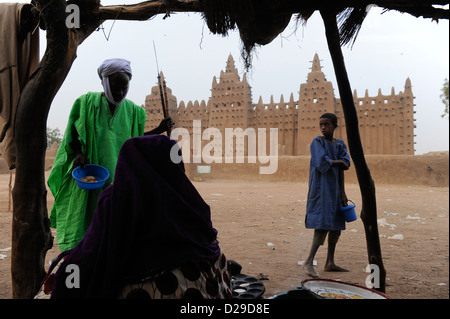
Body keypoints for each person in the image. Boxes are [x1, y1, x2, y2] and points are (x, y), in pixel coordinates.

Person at [37, 135, 232, 299]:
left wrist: (66, 274)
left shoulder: (117, 200)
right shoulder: (189, 200)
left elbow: (89, 254)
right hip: (209, 289)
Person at [47, 58, 174, 252]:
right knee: (86, 226)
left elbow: (135, 140)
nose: (120, 93)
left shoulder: (133, 111)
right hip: (90, 177)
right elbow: (72, 132)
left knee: (117, 229)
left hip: (119, 179)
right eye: (116, 87)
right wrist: (79, 153)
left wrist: (158, 130)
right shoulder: (86, 103)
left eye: (124, 88)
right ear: (104, 83)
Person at [303, 113, 351, 278]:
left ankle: (330, 262)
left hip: (336, 190)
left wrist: (343, 192)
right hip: (321, 189)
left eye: (327, 124)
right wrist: (337, 162)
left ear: (335, 125)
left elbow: (346, 165)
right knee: (322, 225)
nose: (323, 128)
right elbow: (321, 162)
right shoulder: (318, 142)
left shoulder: (339, 144)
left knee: (337, 224)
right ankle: (309, 260)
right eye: (321, 124)